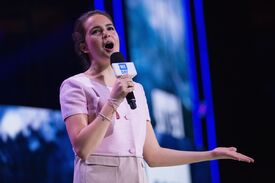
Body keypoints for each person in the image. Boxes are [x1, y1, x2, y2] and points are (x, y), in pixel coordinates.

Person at [59, 10, 254, 183]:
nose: (106, 33)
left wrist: (211, 154)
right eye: (96, 31)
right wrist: (113, 101)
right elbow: (82, 149)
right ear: (84, 47)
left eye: (110, 28)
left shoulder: (136, 88)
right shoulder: (75, 85)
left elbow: (153, 155)